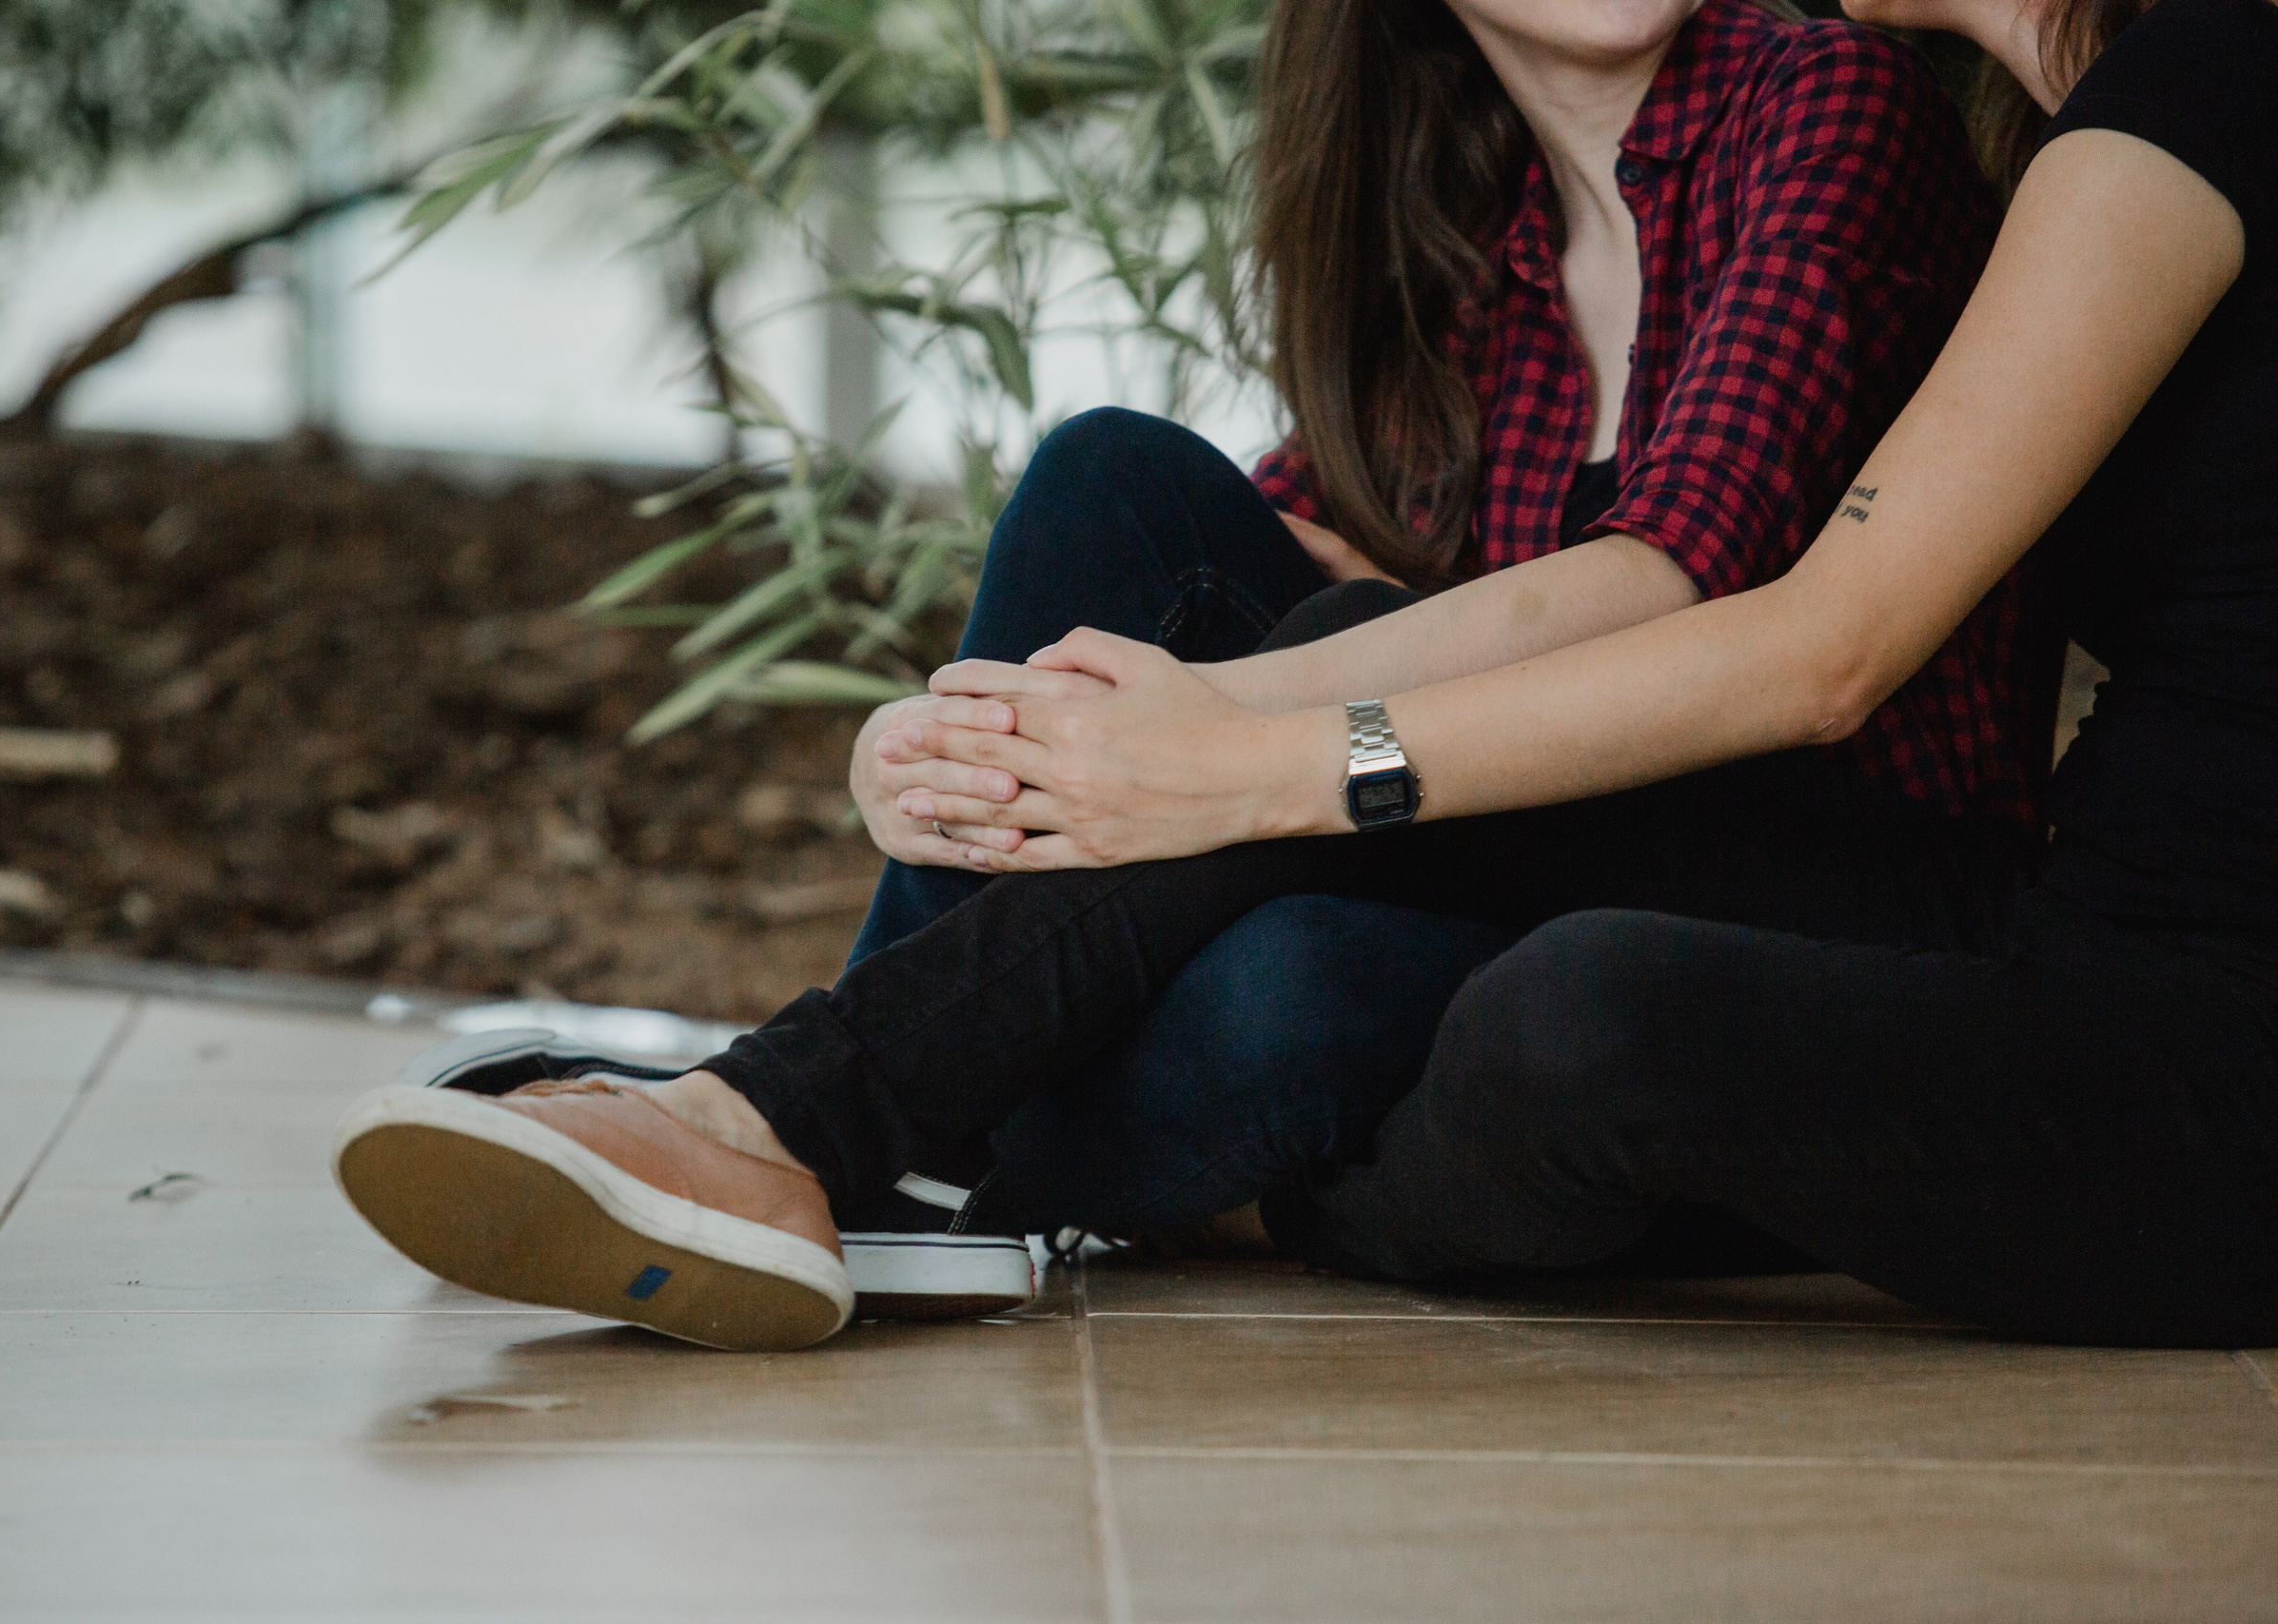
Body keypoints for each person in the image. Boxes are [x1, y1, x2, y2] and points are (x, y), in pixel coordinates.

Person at [327, 0, 2278, 1352]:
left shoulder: (1998, 106)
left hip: (1862, 869)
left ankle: (842, 1120)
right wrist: (959, 740)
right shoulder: (1526, 213)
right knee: (1125, 492)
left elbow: (1772, 624)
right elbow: (1271, 549)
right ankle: (845, 1120)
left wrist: (1250, 758)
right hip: (1763, 867)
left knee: (1305, 969)